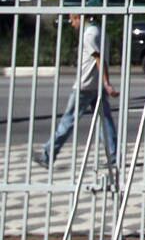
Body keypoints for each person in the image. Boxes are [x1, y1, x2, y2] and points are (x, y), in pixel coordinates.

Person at [35, 13, 118, 167]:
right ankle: (113, 155)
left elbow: (99, 59)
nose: (72, 24)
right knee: (104, 120)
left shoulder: (89, 35)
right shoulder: (100, 31)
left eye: (72, 20)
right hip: (96, 84)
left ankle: (48, 155)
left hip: (85, 85)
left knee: (68, 120)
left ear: (79, 17)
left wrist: (107, 83)